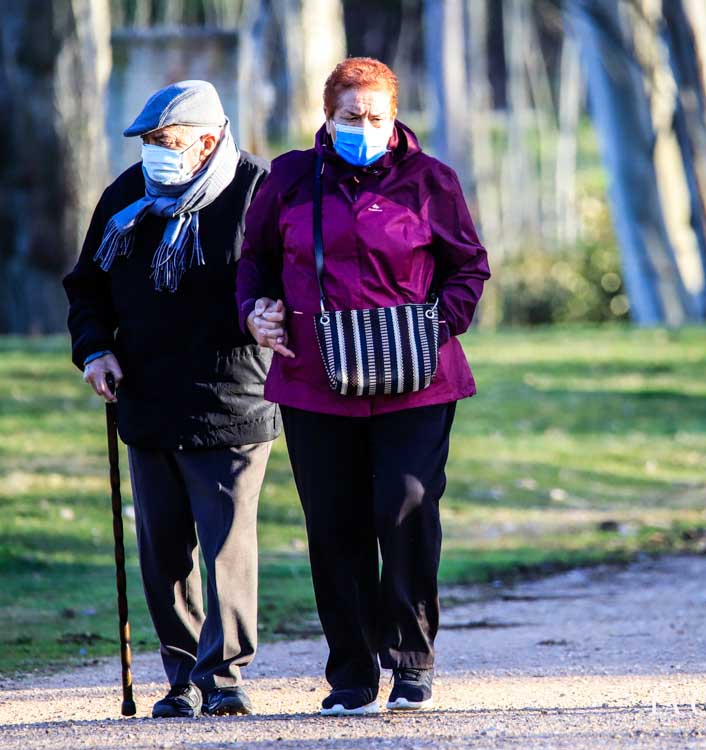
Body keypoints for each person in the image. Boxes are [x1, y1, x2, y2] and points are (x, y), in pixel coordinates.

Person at [236, 57, 490, 715]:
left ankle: (410, 659)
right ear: (327, 116)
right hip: (313, 378)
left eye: (376, 116)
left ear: (395, 115)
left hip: (416, 379)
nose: (365, 127)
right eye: (352, 117)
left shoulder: (431, 181)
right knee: (334, 521)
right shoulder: (289, 178)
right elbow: (255, 262)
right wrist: (254, 310)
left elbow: (468, 268)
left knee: (405, 506)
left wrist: (431, 329)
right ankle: (351, 675)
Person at [64, 80, 277, 718]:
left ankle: (226, 675)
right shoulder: (127, 196)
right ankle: (182, 676)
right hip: (148, 396)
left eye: (168, 140)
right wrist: (95, 349)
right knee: (164, 547)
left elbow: (280, 279)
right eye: (149, 141)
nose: (155, 152)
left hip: (232, 396)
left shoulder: (255, 192)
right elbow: (87, 287)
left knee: (226, 544)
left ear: (210, 139)